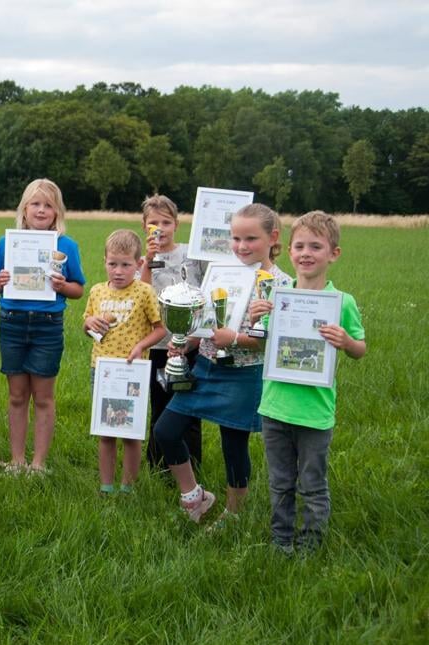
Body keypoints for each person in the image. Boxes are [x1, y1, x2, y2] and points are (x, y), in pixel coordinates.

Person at [153, 203, 292, 525]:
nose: (241, 247)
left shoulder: (281, 283)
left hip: (244, 375)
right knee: (166, 430)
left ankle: (233, 514)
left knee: (234, 445)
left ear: (272, 237)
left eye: (251, 239)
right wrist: (185, 344)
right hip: (205, 366)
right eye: (236, 238)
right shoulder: (222, 271)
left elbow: (269, 339)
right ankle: (195, 496)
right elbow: (204, 323)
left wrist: (236, 339)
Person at [257, 211, 366, 553]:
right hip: (275, 407)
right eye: (300, 246)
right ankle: (282, 540)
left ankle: (310, 545)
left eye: (316, 246)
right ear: (289, 251)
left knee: (312, 483)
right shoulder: (278, 295)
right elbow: (268, 343)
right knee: (279, 483)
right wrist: (257, 319)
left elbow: (360, 349)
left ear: (333, 253)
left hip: (315, 413)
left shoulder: (342, 303)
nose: (306, 253)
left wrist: (346, 341)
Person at [0, 179, 85, 473]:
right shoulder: (9, 243)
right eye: (35, 204)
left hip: (47, 326)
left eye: (48, 205)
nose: (41, 210)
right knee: (17, 395)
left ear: (57, 212)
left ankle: (38, 463)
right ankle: (17, 460)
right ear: (24, 209)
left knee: (43, 397)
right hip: (13, 323)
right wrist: (0, 282)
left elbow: (78, 289)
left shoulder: (66, 246)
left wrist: (62, 285)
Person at [83, 230, 166, 493]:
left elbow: (160, 328)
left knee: (130, 431)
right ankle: (106, 486)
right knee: (105, 430)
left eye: (126, 265)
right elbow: (88, 326)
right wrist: (88, 323)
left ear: (139, 264)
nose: (118, 271)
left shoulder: (144, 292)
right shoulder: (97, 292)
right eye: (112, 264)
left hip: (133, 373)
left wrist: (140, 346)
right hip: (103, 371)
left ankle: (128, 487)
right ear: (104, 260)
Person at [137, 195, 205, 472]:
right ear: (144, 226)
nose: (160, 228)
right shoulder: (143, 261)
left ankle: (193, 465)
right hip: (159, 346)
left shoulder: (192, 254)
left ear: (176, 224)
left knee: (190, 408)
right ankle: (158, 465)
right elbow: (142, 295)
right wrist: (148, 261)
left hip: (192, 344)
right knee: (161, 406)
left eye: (166, 222)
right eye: (154, 223)